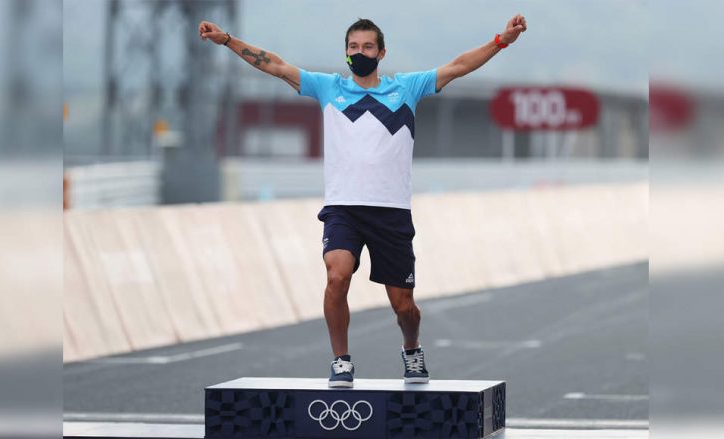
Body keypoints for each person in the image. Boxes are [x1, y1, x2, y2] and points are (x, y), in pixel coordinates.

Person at [199, 14, 527, 388]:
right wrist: (227, 40)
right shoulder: (328, 88)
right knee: (336, 276)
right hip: (344, 209)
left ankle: (411, 348)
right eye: (353, 47)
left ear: (381, 52)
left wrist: (501, 40)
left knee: (404, 305)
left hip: (391, 212)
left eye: (367, 47)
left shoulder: (407, 88)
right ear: (346, 53)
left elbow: (458, 66)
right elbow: (274, 64)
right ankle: (341, 361)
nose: (360, 53)